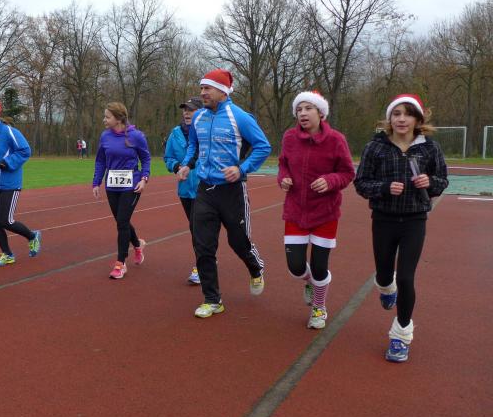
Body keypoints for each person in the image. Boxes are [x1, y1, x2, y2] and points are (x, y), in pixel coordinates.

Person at [354, 94, 448, 362]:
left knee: (406, 277)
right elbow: (361, 183)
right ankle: (386, 288)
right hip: (383, 219)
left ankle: (401, 336)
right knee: (385, 275)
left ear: (418, 119)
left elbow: (442, 180)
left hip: (414, 220)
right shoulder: (376, 147)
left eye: (408, 114)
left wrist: (429, 183)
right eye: (396, 114)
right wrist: (384, 188)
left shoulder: (429, 148)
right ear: (389, 118)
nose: (402, 119)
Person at [176, 69, 271, 318]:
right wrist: (186, 165)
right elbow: (193, 145)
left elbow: (263, 146)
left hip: (232, 192)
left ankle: (255, 268)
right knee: (202, 245)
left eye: (207, 88)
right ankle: (212, 299)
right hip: (205, 190)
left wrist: (241, 169)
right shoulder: (199, 118)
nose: (202, 93)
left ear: (222, 91)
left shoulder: (240, 117)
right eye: (201, 88)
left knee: (238, 242)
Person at [277, 91, 355, 329]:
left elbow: (347, 173)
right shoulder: (289, 138)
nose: (302, 113)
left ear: (321, 113)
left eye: (308, 108)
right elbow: (283, 164)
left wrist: (330, 181)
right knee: (295, 267)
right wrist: (283, 178)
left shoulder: (336, 140)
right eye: (299, 109)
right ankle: (310, 282)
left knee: (320, 266)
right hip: (296, 211)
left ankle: (319, 307)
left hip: (325, 213)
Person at [0, 98, 42, 266]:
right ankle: (7, 254)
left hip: (10, 184)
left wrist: (8, 162)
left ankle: (32, 236)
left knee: (5, 220)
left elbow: (25, 151)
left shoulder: (9, 132)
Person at [92, 102, 151, 279]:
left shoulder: (136, 136)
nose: (104, 120)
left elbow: (146, 159)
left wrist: (144, 179)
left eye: (107, 117)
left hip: (131, 184)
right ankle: (137, 245)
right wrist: (96, 182)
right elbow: (100, 160)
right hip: (112, 185)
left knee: (122, 222)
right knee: (121, 221)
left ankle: (120, 263)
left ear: (118, 119)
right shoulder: (105, 136)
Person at [164, 96, 202, 285]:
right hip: (185, 189)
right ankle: (206, 260)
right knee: (194, 228)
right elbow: (168, 157)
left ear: (200, 112)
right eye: (185, 110)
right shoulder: (175, 133)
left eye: (191, 110)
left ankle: (202, 265)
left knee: (199, 227)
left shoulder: (207, 131)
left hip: (205, 187)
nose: (186, 113)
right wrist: (177, 166)